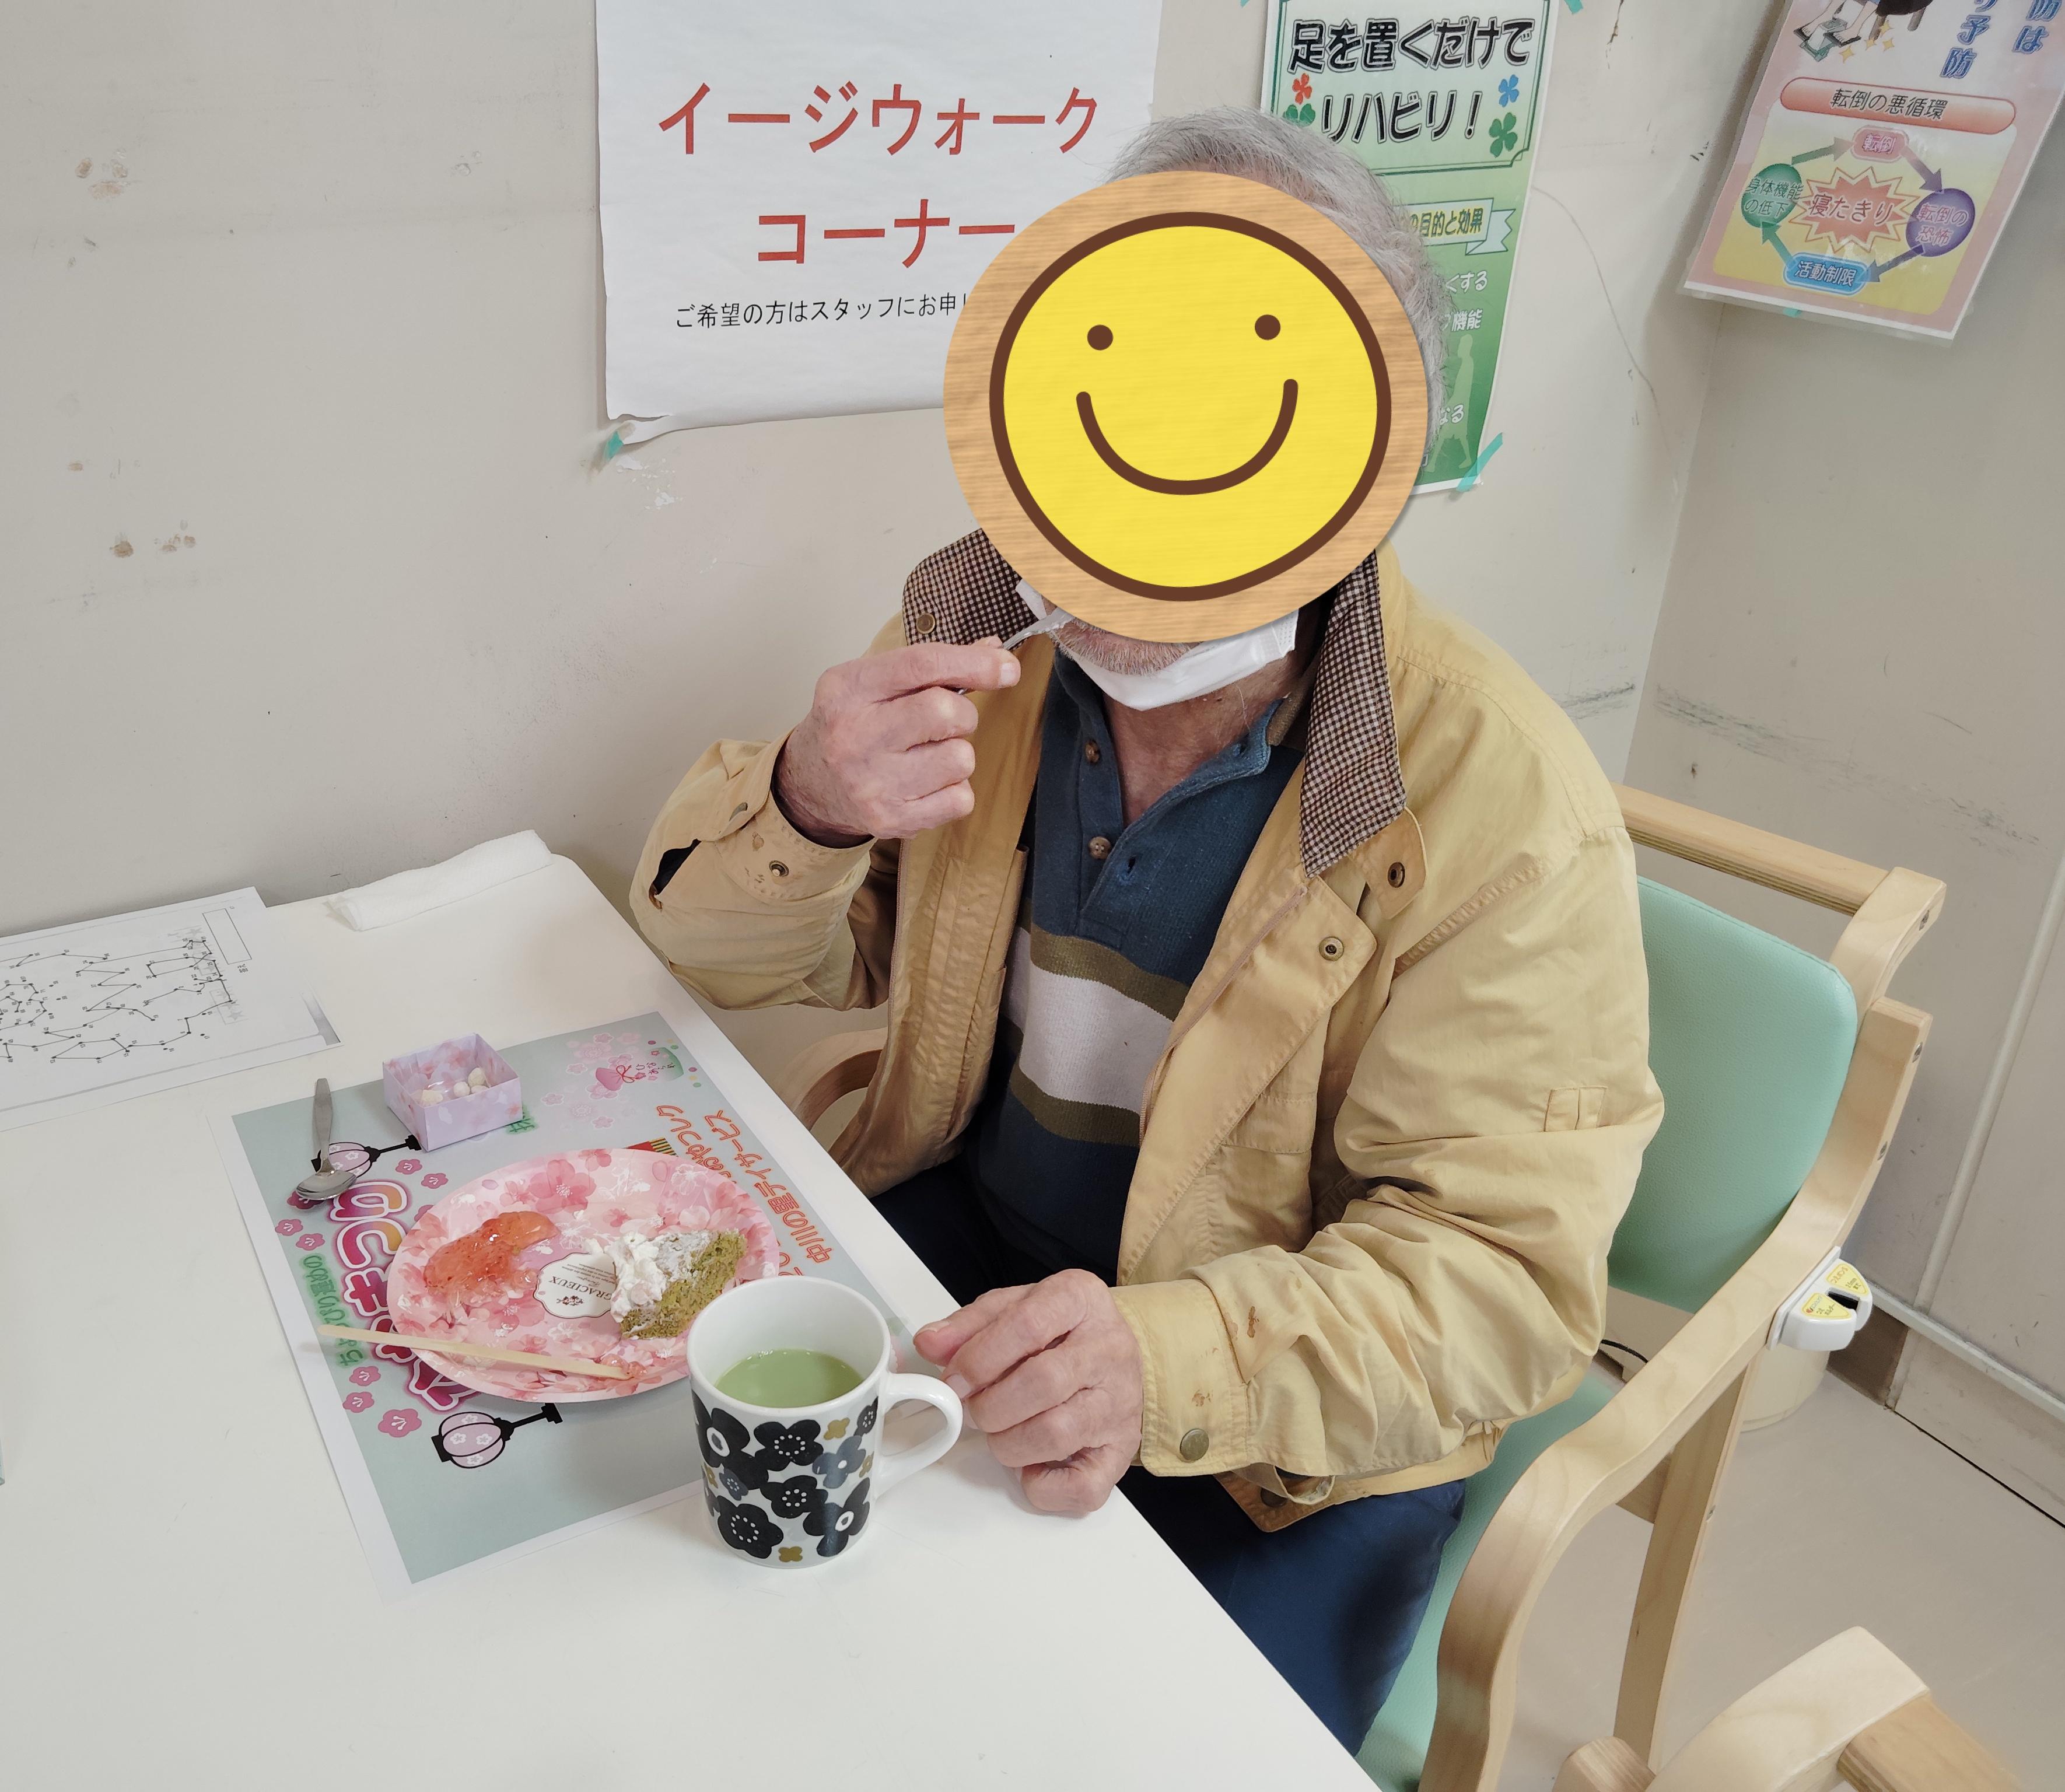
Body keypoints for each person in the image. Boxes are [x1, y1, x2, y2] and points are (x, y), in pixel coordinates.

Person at [632, 109, 1662, 1752]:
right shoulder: (977, 646)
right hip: (978, 1253)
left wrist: (1166, 1360)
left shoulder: (1502, 800)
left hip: (1286, 1436)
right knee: (739, 1646)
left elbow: (1502, 1283)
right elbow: (728, 956)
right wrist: (807, 806)